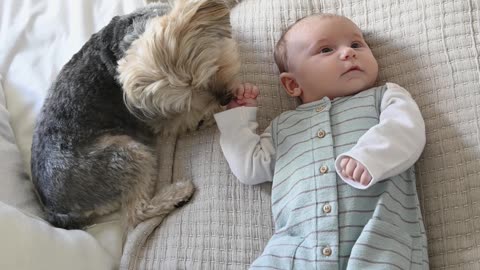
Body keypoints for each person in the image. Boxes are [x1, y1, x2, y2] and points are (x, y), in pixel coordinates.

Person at [215, 13, 428, 269]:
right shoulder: (284, 127)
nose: (348, 53)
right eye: (326, 49)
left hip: (376, 241)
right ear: (293, 84)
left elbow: (405, 130)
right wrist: (237, 117)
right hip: (295, 248)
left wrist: (369, 157)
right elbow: (250, 168)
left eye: (356, 44)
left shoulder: (385, 97)